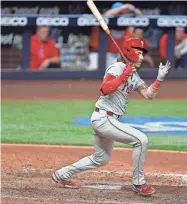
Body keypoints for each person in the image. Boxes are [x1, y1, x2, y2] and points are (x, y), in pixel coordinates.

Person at [52, 38, 171, 196]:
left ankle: (62, 174)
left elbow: (148, 95)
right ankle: (139, 183)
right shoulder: (117, 67)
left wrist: (159, 78)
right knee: (141, 140)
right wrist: (123, 75)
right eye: (139, 53)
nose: (142, 57)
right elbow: (104, 89)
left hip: (108, 119)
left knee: (100, 159)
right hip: (104, 118)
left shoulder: (133, 74)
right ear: (129, 52)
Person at [89, 2, 142, 67]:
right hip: (106, 55)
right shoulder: (105, 23)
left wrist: (133, 8)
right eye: (118, 13)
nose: (120, 16)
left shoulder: (127, 25)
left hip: (121, 55)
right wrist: (123, 7)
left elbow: (140, 16)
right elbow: (107, 15)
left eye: (122, 13)